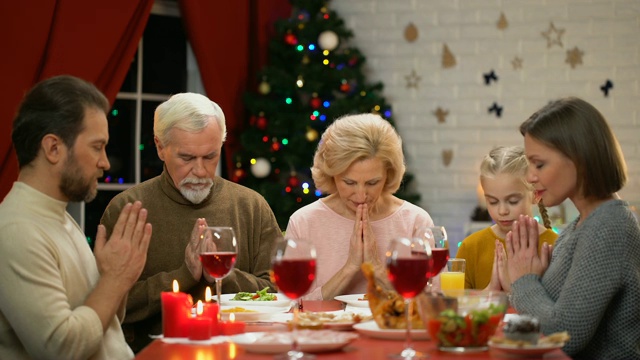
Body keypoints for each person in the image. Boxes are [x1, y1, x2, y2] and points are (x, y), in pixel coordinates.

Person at [100, 92, 280, 352]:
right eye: (186, 158)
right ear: (160, 147)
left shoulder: (251, 206)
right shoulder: (127, 210)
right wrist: (185, 275)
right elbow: (107, 305)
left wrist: (222, 274)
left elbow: (277, 293)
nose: (200, 170)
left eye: (210, 157)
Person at [0, 75, 152, 359]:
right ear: (53, 148)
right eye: (97, 146)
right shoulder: (15, 230)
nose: (105, 163)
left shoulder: (58, 216)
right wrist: (114, 280)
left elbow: (102, 325)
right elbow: (61, 348)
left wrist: (117, 277)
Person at [506, 97, 640, 358]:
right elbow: (544, 312)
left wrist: (522, 280)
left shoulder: (609, 226)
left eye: (539, 164)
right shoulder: (578, 227)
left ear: (579, 158)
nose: (530, 176)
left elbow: (563, 335)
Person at [285, 113, 434, 300]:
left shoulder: (416, 221)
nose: (361, 195)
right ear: (332, 174)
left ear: (388, 174)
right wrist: (350, 268)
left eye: (372, 183)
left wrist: (377, 269)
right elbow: (294, 307)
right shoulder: (304, 222)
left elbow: (430, 302)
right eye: (349, 182)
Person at [456, 146, 557, 290]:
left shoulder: (555, 246)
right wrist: (491, 290)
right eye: (493, 201)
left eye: (513, 201)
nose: (502, 211)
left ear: (536, 195)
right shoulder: (470, 247)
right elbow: (455, 309)